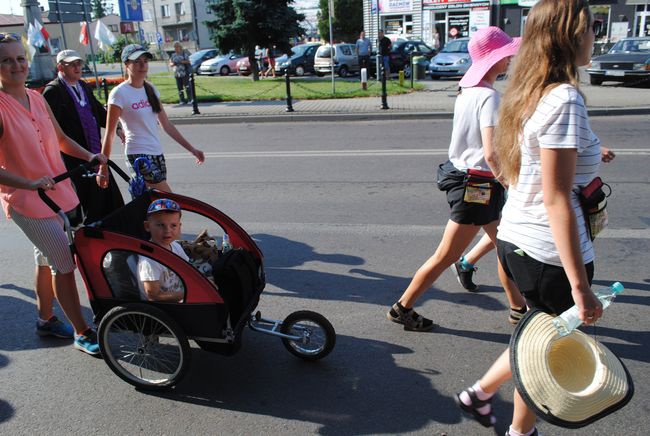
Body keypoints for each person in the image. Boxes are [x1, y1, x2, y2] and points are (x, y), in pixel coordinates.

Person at [455, 2, 611, 434]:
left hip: (517, 237)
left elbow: (522, 169)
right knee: (543, 348)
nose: (593, 37)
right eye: (589, 29)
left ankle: (482, 396)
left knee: (535, 334)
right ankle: (517, 430)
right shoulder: (563, 98)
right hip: (548, 252)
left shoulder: (530, 92)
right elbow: (557, 198)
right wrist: (581, 288)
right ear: (568, 35)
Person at [386, 26, 523, 332]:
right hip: (477, 186)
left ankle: (518, 309)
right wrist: (509, 181)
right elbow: (490, 152)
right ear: (494, 61)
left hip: (469, 181)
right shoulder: (488, 97)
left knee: (505, 245)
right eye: (506, 56)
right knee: (447, 255)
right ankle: (402, 308)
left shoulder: (467, 92)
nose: (510, 61)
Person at [0, 33, 106, 355]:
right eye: (6, 60)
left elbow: (60, 139)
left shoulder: (38, 97)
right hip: (27, 201)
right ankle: (82, 330)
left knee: (45, 259)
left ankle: (45, 320)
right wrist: (27, 182)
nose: (16, 65)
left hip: (58, 193)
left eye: (20, 58)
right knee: (64, 262)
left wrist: (90, 156)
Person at [98, 44, 205, 193]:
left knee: (155, 208)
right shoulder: (119, 93)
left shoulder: (151, 89)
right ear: (126, 64)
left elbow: (166, 124)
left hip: (157, 153)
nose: (142, 65)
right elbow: (109, 134)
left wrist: (192, 149)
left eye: (145, 61)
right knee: (170, 202)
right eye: (137, 61)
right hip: (138, 155)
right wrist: (103, 167)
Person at [43, 49, 125, 225]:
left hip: (95, 153)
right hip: (73, 159)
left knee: (110, 201)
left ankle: (114, 231)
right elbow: (49, 130)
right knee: (87, 205)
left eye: (79, 63)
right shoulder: (53, 91)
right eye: (72, 64)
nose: (77, 67)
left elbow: (97, 110)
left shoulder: (83, 86)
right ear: (60, 66)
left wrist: (117, 127)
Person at [137, 198, 189, 302]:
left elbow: (187, 270)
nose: (167, 231)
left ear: (179, 227)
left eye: (173, 225)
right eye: (161, 225)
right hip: (163, 306)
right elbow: (153, 296)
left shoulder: (175, 246)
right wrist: (186, 294)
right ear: (147, 226)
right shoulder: (149, 260)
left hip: (179, 293)